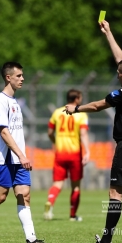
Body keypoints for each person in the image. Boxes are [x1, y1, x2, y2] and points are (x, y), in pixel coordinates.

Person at [0, 62, 53, 243]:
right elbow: (4, 132)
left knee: (24, 195)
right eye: (19, 76)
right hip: (6, 157)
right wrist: (22, 155)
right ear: (8, 77)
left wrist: (22, 155)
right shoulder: (1, 101)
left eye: (22, 75)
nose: (22, 79)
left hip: (18, 158)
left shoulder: (14, 101)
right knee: (0, 196)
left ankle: (31, 240)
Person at [64, 56, 122, 243]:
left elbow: (98, 105)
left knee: (115, 192)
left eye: (118, 74)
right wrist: (108, 33)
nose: (117, 77)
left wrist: (76, 109)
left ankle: (106, 241)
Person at [44, 89, 90, 221]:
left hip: (60, 153)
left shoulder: (57, 112)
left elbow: (49, 132)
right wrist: (87, 150)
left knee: (57, 183)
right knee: (75, 186)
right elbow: (83, 133)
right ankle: (72, 215)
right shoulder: (81, 114)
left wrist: (55, 142)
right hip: (75, 154)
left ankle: (50, 203)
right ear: (76, 99)